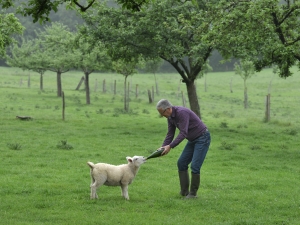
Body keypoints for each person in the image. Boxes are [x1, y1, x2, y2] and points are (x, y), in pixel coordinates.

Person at [156, 99, 211, 199]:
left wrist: (170, 146)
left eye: (162, 113)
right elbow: (170, 134)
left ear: (168, 109)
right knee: (181, 162)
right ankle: (184, 192)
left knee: (195, 166)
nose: (162, 115)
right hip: (192, 140)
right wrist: (163, 146)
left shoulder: (182, 113)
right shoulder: (170, 117)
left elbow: (183, 133)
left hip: (202, 138)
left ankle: (193, 194)